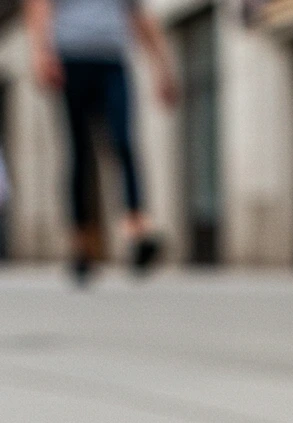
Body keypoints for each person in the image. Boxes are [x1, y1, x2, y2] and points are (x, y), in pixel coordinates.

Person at [25, 0, 178, 281]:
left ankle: (137, 231)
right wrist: (41, 53)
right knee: (79, 152)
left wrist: (163, 68)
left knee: (123, 142)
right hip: (71, 59)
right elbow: (39, 6)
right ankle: (81, 245)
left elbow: (138, 15)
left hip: (112, 59)